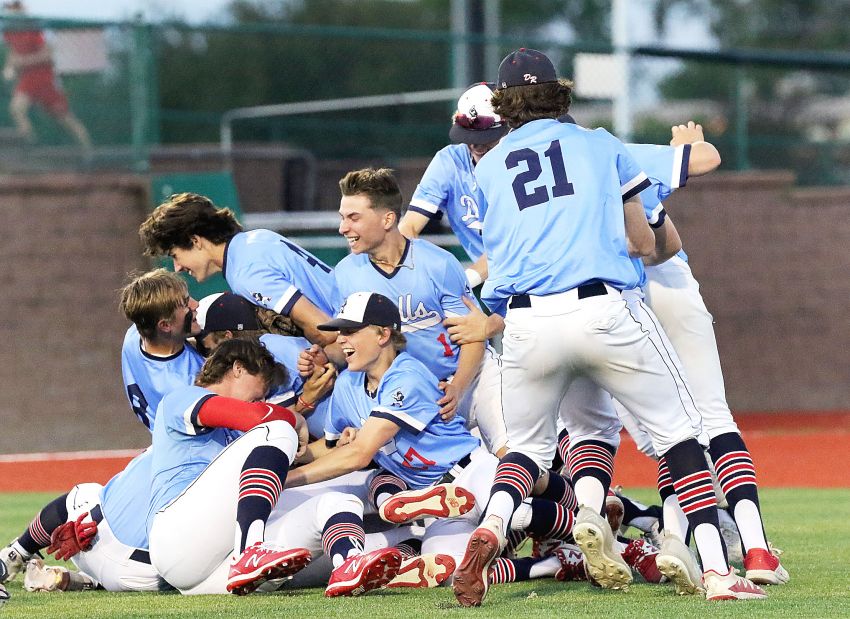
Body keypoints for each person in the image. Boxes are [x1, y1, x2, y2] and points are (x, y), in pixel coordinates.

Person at [451, 48, 766, 606]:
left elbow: (495, 262)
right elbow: (648, 238)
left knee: (524, 449)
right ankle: (719, 571)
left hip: (525, 321)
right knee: (681, 434)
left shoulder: (489, 168)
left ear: (505, 105)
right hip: (602, 307)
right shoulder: (598, 144)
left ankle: (493, 527)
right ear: (559, 94)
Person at [147, 338, 401, 597]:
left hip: (212, 569)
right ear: (238, 368)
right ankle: (250, 551)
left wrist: (342, 446)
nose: (263, 397)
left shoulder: (238, 437)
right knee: (277, 429)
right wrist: (296, 417)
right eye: (262, 388)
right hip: (178, 535)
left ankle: (350, 563)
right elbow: (258, 418)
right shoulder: (185, 397)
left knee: (337, 502)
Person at [329, 167, 507, 455]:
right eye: (342, 218)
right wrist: (323, 357)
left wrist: (458, 387)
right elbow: (349, 343)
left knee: (510, 456)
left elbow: (472, 334)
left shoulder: (438, 263)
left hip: (469, 379)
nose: (343, 228)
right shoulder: (345, 274)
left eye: (354, 218)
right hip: (412, 394)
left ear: (387, 219)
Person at [138, 193, 340, 356]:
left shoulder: (246, 272)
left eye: (176, 255)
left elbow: (323, 329)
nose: (177, 267)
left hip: (355, 340)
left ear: (196, 241)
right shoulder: (254, 239)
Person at [0, 450, 163, 592]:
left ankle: (17, 553)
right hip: (142, 575)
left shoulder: (160, 448)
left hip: (86, 531)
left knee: (86, 493)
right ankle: (84, 580)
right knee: (177, 566)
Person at [399, 82, 509, 288]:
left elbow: (508, 247)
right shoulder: (450, 160)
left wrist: (461, 285)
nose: (476, 144)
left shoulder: (518, 162)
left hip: (534, 277)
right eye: (469, 136)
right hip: (494, 285)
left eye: (486, 136)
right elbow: (409, 227)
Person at [194, 291, 337, 439]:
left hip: (337, 431)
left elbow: (277, 426)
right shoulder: (276, 342)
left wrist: (305, 401)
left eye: (207, 348)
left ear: (227, 337)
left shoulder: (260, 363)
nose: (208, 356)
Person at [118, 268, 205, 431]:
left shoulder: (134, 337)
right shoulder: (186, 383)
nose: (196, 304)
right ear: (165, 325)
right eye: (185, 304)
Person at [1, 1, 91, 150]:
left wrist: (23, 62)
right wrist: (8, 68)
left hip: (45, 80)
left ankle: (89, 151)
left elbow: (48, 54)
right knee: (16, 108)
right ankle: (29, 146)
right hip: (27, 80)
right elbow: (13, 55)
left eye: (14, 8)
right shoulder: (9, 32)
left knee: (65, 118)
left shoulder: (33, 28)